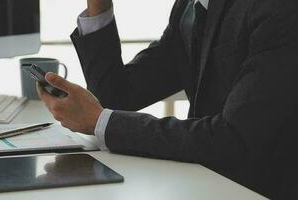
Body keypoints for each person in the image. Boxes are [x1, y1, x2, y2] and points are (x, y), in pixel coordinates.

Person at [38, 0, 298, 198]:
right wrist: (99, 5)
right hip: (208, 183)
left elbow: (232, 138)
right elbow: (117, 96)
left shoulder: (279, 10)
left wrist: (99, 120)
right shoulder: (190, 6)